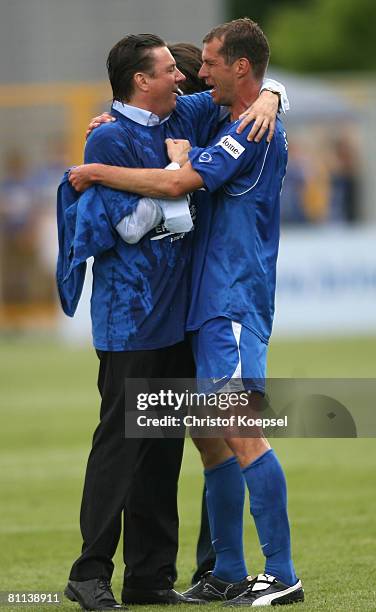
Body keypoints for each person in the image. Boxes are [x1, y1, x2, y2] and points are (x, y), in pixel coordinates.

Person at [69, 18, 304, 607]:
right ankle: (221, 568)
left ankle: (281, 572)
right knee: (205, 436)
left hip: (229, 298)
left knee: (241, 430)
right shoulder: (224, 115)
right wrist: (272, 96)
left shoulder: (244, 127)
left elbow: (182, 186)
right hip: (184, 308)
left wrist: (98, 172)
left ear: (241, 68)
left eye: (208, 64)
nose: (197, 74)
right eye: (180, 67)